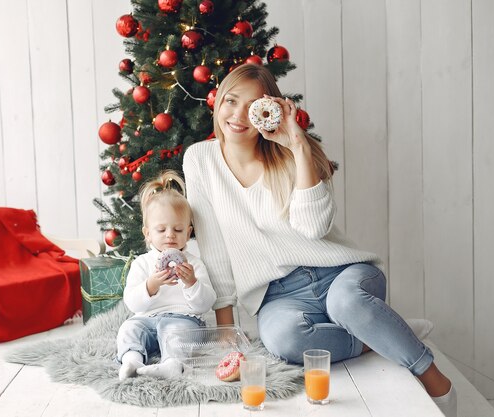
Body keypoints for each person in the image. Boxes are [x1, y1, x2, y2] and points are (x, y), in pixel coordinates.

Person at [182, 64, 456, 416]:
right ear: (217, 102)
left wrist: (297, 145)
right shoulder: (199, 160)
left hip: (339, 273)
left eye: (250, 107)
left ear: (268, 111)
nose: (236, 116)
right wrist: (225, 329)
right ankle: (380, 332)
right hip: (278, 295)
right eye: (229, 101)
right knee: (283, 341)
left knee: (348, 304)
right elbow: (214, 247)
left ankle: (434, 378)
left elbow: (314, 228)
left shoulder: (291, 154)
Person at [116, 170, 217, 380]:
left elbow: (206, 304)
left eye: (178, 230)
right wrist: (150, 286)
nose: (170, 235)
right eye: (161, 230)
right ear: (147, 233)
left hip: (183, 318)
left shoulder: (194, 264)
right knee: (128, 329)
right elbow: (132, 304)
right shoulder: (142, 263)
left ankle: (172, 364)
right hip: (147, 319)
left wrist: (192, 283)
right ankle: (132, 361)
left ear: (188, 233)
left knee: (177, 333)